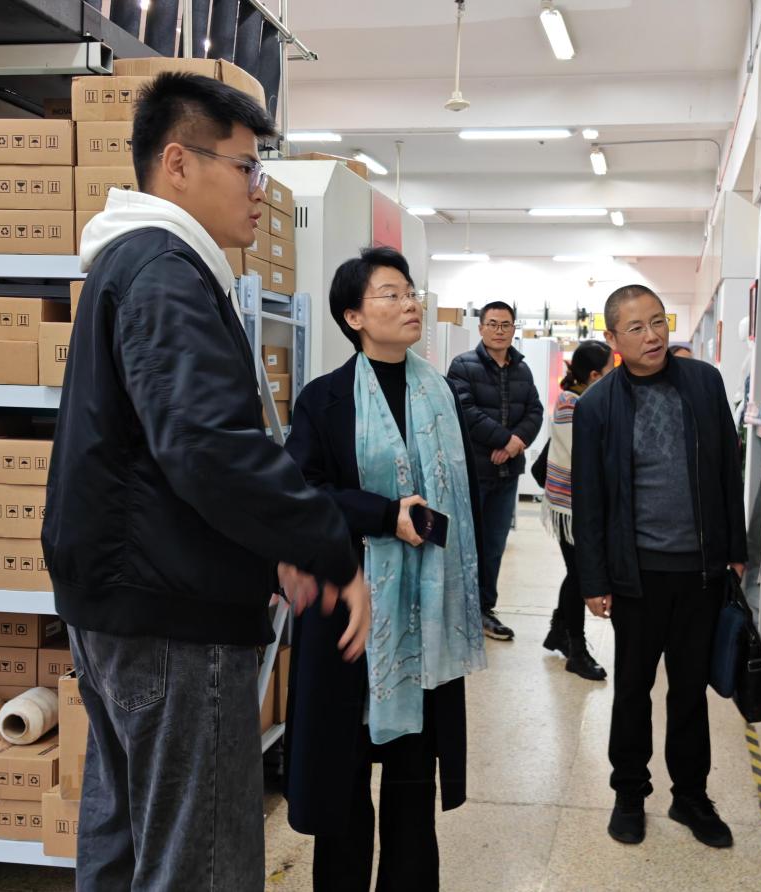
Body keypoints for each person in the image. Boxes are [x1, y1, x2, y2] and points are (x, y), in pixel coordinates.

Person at [42, 73, 370, 891]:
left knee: (126, 848)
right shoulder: (164, 270)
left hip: (125, 604)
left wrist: (270, 542)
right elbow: (206, 447)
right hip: (173, 622)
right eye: (248, 167)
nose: (261, 191)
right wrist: (325, 542)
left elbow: (167, 454)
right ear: (179, 163)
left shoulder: (134, 264)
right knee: (199, 866)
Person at [283, 247, 486, 891]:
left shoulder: (440, 395)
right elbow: (301, 493)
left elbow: (462, 500)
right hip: (352, 611)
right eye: (390, 294)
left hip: (426, 613)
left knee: (411, 782)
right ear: (354, 316)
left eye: (410, 292)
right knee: (345, 784)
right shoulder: (324, 399)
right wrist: (382, 514)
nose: (409, 304)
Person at [573, 284, 747, 850]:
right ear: (612, 338)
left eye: (658, 322)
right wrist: (594, 579)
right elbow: (589, 500)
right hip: (637, 575)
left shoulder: (703, 383)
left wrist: (736, 548)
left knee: (691, 690)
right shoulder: (597, 406)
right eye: (637, 328)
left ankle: (690, 796)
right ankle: (629, 792)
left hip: (701, 571)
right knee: (632, 688)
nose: (652, 336)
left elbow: (728, 469)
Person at [448, 301, 544, 640]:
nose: (499, 330)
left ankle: (484, 609)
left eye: (505, 325)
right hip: (473, 471)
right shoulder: (463, 366)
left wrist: (516, 443)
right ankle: (461, 610)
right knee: (467, 543)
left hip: (507, 474)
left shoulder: (522, 369)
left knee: (494, 545)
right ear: (481, 328)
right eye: (492, 324)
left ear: (513, 329)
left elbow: (535, 411)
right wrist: (506, 439)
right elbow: (464, 410)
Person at [541, 341, 614, 681]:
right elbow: (590, 454)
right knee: (582, 576)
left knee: (575, 573)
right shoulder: (575, 405)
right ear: (595, 376)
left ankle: (560, 631)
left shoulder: (578, 400)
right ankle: (576, 650)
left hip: (572, 504)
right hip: (572, 507)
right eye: (610, 371)